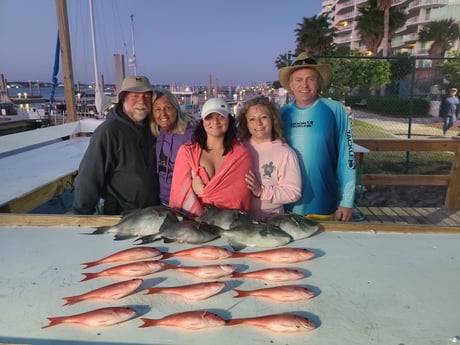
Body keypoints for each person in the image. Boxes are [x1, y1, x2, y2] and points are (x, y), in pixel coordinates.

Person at [278, 52, 356, 222]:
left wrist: (347, 200)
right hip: (285, 205)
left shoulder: (335, 110)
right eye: (298, 79)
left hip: (323, 202)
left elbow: (347, 157)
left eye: (310, 79)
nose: (304, 85)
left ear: (319, 82)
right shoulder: (281, 114)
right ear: (291, 85)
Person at [73, 76, 160, 215]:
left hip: (152, 214)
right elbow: (89, 177)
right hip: (122, 216)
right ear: (123, 98)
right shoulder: (108, 132)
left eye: (147, 97)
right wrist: (81, 216)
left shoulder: (153, 128)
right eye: (135, 96)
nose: (142, 101)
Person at [169, 97, 252, 217]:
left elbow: (241, 195)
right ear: (202, 121)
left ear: (229, 119)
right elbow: (179, 195)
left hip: (230, 226)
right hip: (195, 227)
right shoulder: (188, 152)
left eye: (221, 116)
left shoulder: (241, 154)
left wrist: (202, 193)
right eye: (209, 117)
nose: (215, 122)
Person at [237, 96, 302, 220]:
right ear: (246, 124)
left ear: (273, 119)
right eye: (252, 119)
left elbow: (294, 192)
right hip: (240, 220)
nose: (258, 123)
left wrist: (261, 191)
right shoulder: (238, 148)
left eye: (263, 117)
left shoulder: (285, 152)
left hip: (272, 221)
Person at [150, 88, 197, 205]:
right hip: (163, 201)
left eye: (168, 108)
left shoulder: (190, 134)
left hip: (186, 204)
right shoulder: (156, 133)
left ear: (176, 109)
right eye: (157, 109)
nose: (163, 114)